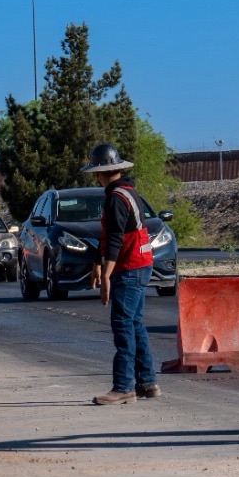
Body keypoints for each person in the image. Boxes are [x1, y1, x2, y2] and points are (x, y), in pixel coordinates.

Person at [83, 143, 157, 406]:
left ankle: (124, 387)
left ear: (101, 172)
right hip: (141, 264)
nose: (95, 177)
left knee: (123, 325)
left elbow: (114, 240)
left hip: (130, 267)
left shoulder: (116, 197)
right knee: (135, 324)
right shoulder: (126, 192)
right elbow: (110, 234)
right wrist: (97, 263)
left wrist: (106, 278)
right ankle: (147, 382)